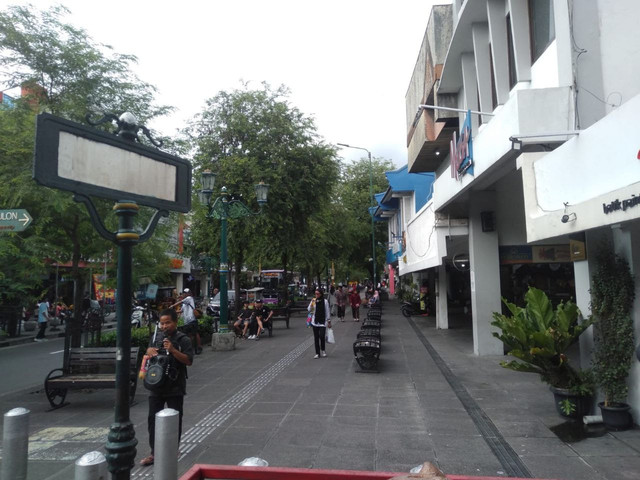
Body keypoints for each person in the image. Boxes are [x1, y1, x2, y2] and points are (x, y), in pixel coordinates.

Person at [140, 308, 194, 467]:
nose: (164, 326)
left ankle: (172, 449)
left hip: (175, 386)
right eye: (162, 323)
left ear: (175, 322)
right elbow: (149, 356)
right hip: (156, 385)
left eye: (167, 323)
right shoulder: (156, 337)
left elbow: (189, 361)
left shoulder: (183, 339)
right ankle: (154, 452)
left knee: (174, 419)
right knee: (152, 419)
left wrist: (173, 350)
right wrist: (149, 351)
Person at [172, 289, 202, 354]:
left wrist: (172, 306)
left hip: (192, 319)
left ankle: (199, 347)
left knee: (195, 333)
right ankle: (190, 348)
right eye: (183, 293)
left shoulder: (189, 298)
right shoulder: (184, 303)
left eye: (184, 293)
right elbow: (181, 310)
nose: (183, 294)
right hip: (187, 321)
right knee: (189, 335)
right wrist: (173, 312)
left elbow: (180, 302)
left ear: (188, 293)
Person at [308, 288, 331, 358]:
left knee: (322, 336)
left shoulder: (325, 301)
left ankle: (323, 350)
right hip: (315, 321)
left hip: (322, 321)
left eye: (317, 294)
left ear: (321, 294)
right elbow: (309, 309)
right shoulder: (313, 300)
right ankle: (317, 353)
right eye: (315, 294)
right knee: (316, 337)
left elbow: (327, 311)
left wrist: (329, 320)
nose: (316, 295)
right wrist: (312, 304)